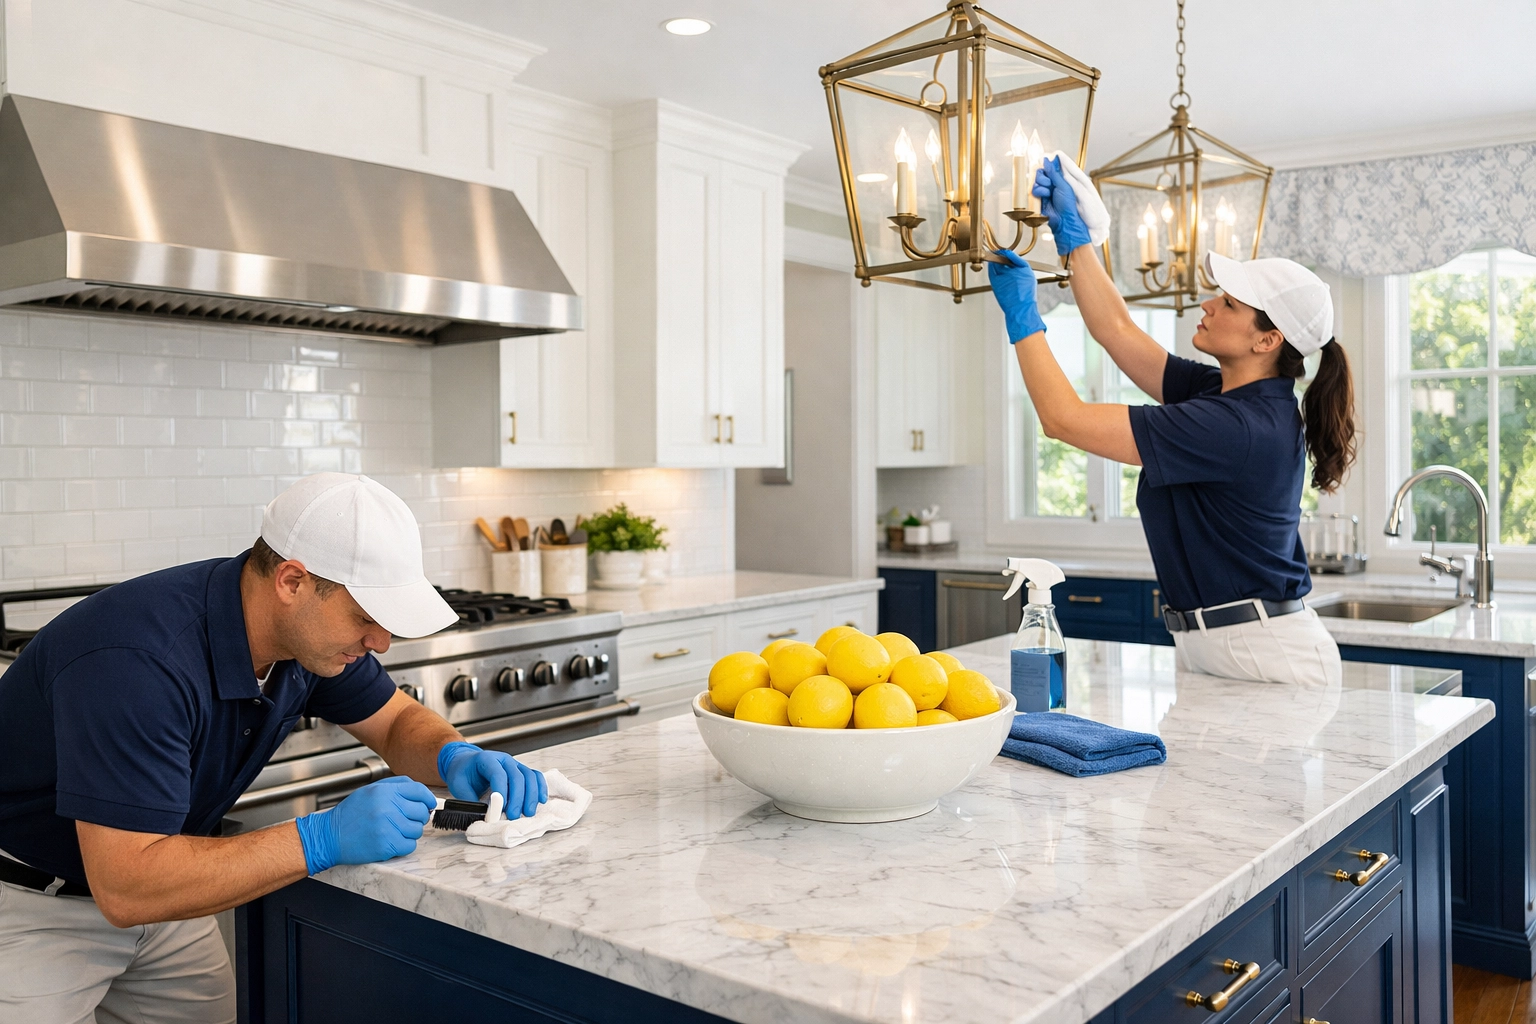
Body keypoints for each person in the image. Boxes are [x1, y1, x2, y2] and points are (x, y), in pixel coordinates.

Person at [0, 472, 547, 1023]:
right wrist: (322, 837)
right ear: (292, 581)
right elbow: (127, 885)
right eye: (365, 617)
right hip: (31, 908)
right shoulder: (138, 662)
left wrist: (454, 755)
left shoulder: (300, 639)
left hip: (171, 890)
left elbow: (396, 720)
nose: (380, 642)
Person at [988, 156, 1356, 688]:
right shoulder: (1227, 392)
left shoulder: (1236, 426)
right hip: (1220, 643)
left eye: (1228, 303)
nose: (1207, 304)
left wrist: (1023, 319)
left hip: (1263, 654)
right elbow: (1116, 329)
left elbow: (1063, 420)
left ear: (1267, 340)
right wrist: (1073, 241)